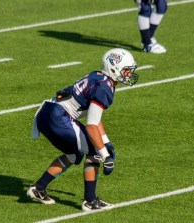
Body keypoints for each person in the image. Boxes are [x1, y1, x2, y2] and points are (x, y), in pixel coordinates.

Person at [27, 48, 139, 211]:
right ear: (113, 68)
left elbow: (94, 117)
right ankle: (90, 201)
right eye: (126, 71)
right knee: (94, 151)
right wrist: (105, 155)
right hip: (58, 116)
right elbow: (92, 126)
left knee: (74, 154)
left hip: (48, 113)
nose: (128, 75)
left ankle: (38, 188)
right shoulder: (104, 87)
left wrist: (106, 142)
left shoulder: (99, 78)